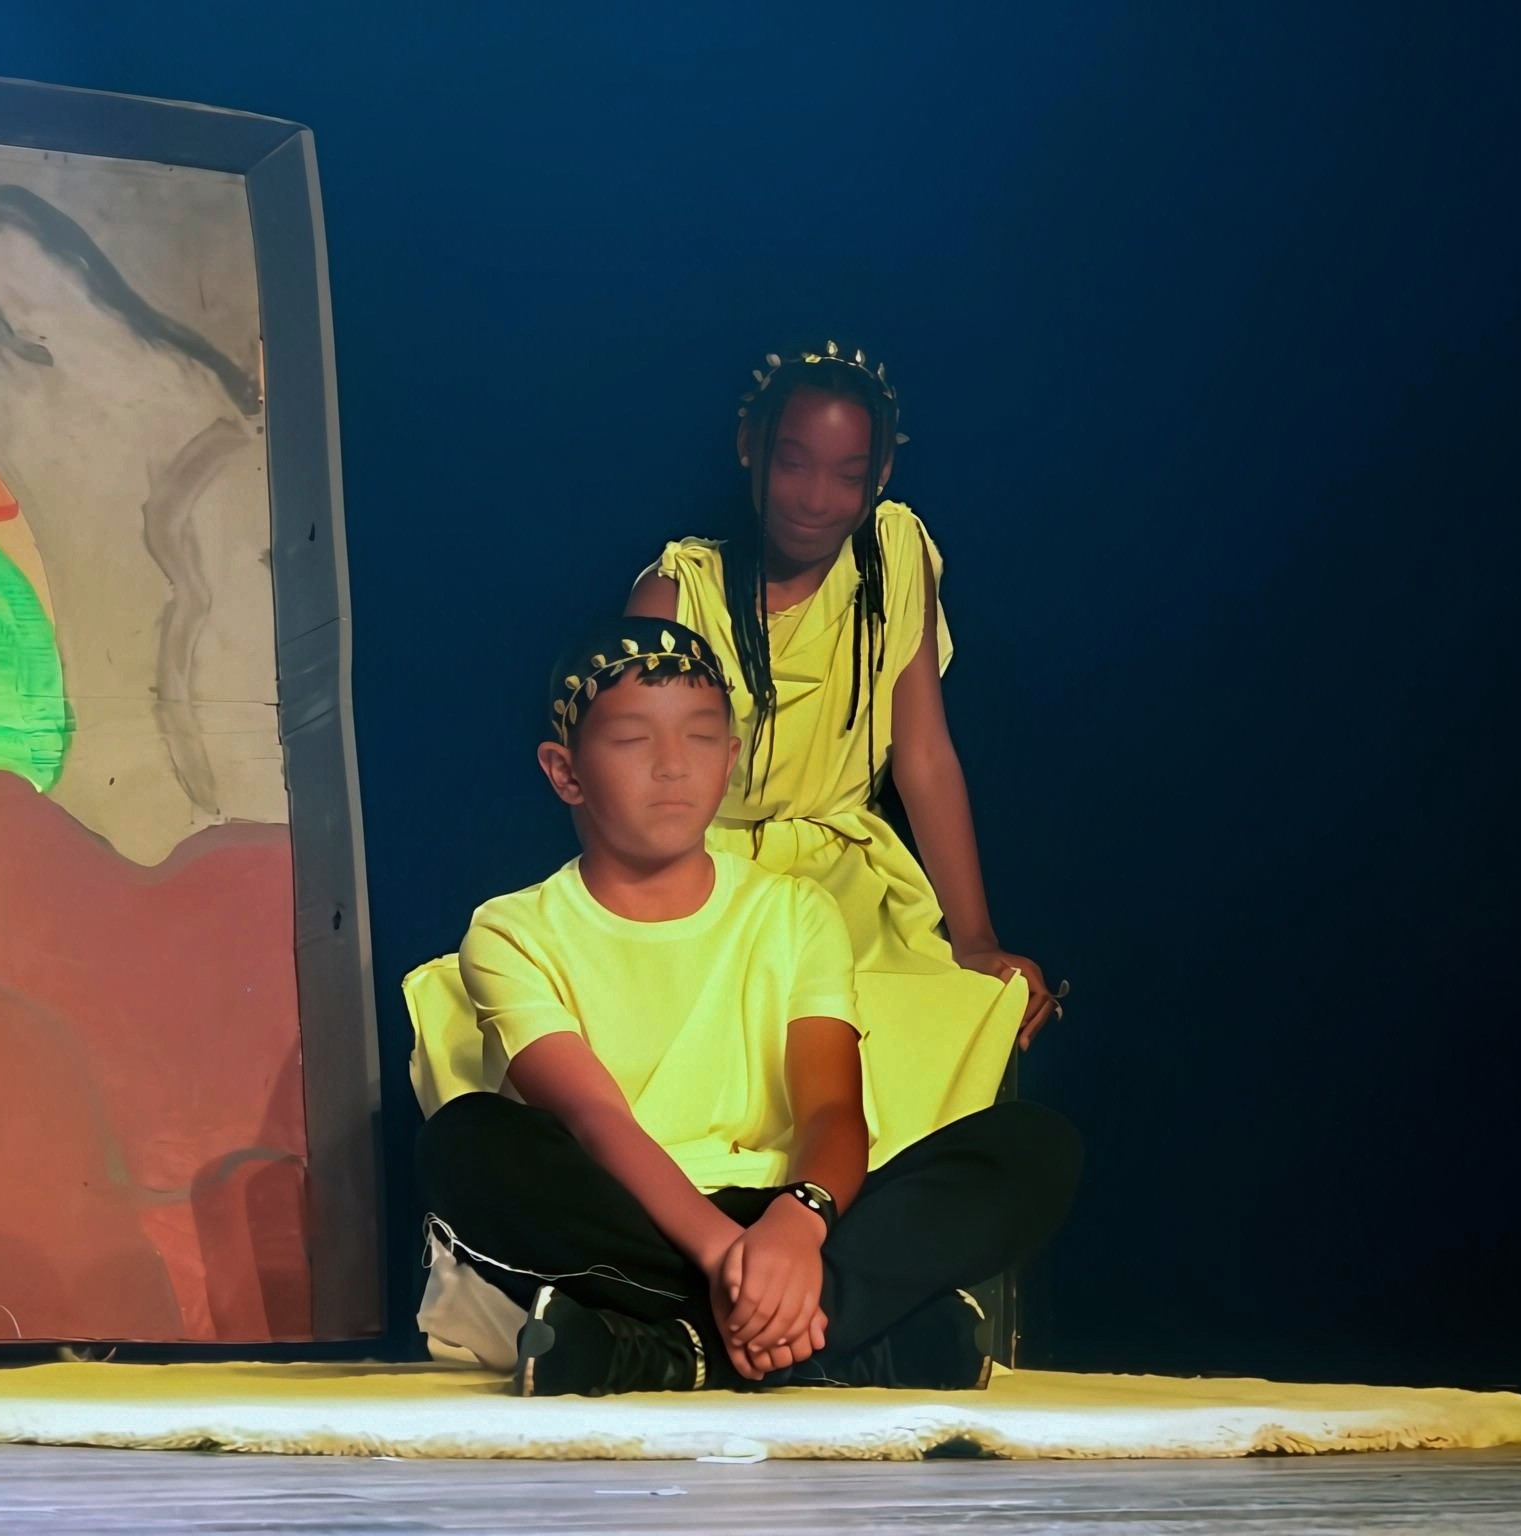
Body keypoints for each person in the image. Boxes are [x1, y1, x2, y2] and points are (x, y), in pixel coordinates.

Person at [415, 617, 1079, 1396]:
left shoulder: (796, 912)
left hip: (784, 1212)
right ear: (566, 773)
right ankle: (838, 1337)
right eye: (632, 741)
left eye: (700, 738)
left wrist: (798, 1221)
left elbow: (832, 1108)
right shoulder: (511, 930)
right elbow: (598, 1121)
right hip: (630, 1215)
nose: (672, 766)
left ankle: (671, 1349)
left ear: (730, 759)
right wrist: (729, 1258)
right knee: (465, 1141)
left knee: (1035, 1147)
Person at [624, 342, 1065, 1164]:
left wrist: (975, 936)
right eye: (794, 464)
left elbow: (922, 754)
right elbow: (636, 792)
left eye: (847, 474)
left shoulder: (893, 554)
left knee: (928, 1033)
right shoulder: (679, 592)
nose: (815, 498)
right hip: (708, 878)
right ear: (749, 445)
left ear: (881, 474)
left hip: (848, 880)